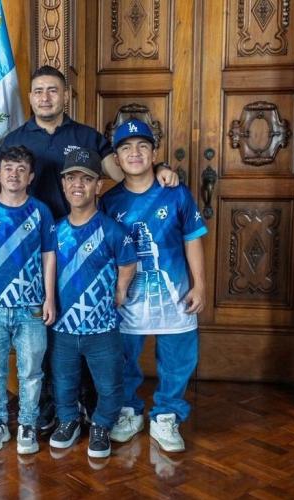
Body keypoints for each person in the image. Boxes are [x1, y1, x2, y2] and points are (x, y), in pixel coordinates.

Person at [0, 65, 179, 432]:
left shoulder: (86, 136)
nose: (45, 97)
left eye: (53, 90)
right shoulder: (13, 140)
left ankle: (87, 404)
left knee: (85, 326)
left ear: (65, 95)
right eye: (38, 91)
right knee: (45, 328)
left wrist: (158, 166)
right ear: (29, 97)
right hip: (35, 251)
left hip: (89, 246)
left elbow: (124, 170)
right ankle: (51, 405)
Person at [99, 118, 207, 453]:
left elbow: (192, 239)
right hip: (127, 297)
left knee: (178, 356)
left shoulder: (176, 194)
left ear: (154, 153)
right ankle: (128, 411)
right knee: (122, 357)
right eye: (126, 148)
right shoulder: (109, 201)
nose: (135, 153)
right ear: (117, 158)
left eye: (142, 146)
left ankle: (167, 415)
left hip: (174, 293)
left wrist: (200, 285)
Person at [0, 145, 56, 455]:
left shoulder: (41, 211)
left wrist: (49, 299)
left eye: (21, 170)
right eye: (7, 169)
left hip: (31, 308)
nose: (14, 175)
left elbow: (49, 256)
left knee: (31, 371)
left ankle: (27, 424)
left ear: (30, 177)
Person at [49, 148, 137, 458]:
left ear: (98, 186)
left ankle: (101, 424)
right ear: (63, 184)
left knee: (109, 384)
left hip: (103, 329)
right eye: (71, 178)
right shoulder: (54, 230)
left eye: (86, 179)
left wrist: (121, 290)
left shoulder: (111, 230)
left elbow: (128, 262)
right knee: (63, 381)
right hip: (63, 328)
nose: (78, 185)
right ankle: (69, 421)